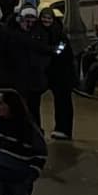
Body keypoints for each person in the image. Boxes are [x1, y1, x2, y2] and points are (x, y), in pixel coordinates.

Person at [7, 4, 51, 128]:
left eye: (32, 20)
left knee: (33, 109)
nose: (29, 23)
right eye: (27, 20)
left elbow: (44, 54)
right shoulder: (15, 35)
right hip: (21, 79)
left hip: (34, 80)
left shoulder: (39, 34)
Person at [41, 7, 77, 138]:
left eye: (48, 18)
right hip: (54, 72)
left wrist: (51, 51)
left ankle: (64, 129)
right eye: (44, 18)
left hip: (63, 72)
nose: (46, 20)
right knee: (61, 100)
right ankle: (61, 127)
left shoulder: (59, 34)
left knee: (63, 101)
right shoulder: (43, 32)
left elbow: (61, 51)